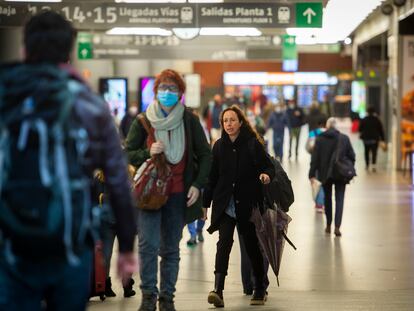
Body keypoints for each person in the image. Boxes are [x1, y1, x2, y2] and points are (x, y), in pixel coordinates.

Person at [0, 11, 137, 311]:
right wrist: (126, 246)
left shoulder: (5, 93)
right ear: (69, 53)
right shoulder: (90, 105)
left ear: (24, 49)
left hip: (12, 245)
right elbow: (117, 180)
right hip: (70, 244)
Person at [125, 69, 211, 311]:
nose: (167, 93)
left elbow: (205, 155)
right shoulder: (143, 120)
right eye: (163, 88)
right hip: (150, 195)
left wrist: (197, 184)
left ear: (181, 93)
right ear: (155, 91)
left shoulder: (189, 120)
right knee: (147, 246)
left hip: (178, 195)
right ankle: (148, 297)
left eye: (172, 89)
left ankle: (167, 298)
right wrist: (146, 152)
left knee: (171, 248)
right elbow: (126, 152)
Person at [203, 105, 275, 307]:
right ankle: (218, 290)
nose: (229, 124)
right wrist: (205, 204)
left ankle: (259, 288)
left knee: (252, 247)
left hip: (248, 205)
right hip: (226, 205)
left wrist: (266, 175)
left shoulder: (252, 144)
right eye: (225, 121)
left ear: (240, 122)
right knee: (223, 245)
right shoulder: (218, 146)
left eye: (232, 120)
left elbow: (268, 166)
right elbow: (212, 177)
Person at [309, 118, 356, 237]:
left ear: (327, 126)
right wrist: (347, 166)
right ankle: (337, 227)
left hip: (325, 174)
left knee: (327, 199)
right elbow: (352, 155)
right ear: (336, 127)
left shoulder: (320, 139)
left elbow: (315, 159)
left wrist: (312, 173)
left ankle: (328, 225)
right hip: (341, 173)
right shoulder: (344, 138)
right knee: (340, 199)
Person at [359, 106, 385, 172]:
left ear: (367, 112)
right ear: (374, 112)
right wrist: (383, 139)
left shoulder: (364, 119)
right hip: (374, 139)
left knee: (366, 152)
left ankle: (367, 165)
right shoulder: (377, 119)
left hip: (366, 139)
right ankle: (373, 165)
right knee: (374, 152)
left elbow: (360, 129)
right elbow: (380, 130)